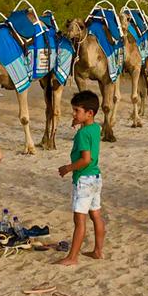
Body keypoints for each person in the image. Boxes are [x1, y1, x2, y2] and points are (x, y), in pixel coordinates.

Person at [54, 89, 104, 266]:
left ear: (89, 113)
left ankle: (72, 257)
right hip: (96, 177)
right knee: (96, 215)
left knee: (79, 220)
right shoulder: (95, 128)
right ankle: (98, 250)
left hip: (84, 179)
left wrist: (67, 168)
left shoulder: (83, 134)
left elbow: (85, 159)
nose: (74, 114)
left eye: (77, 111)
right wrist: (79, 124)